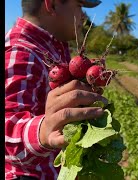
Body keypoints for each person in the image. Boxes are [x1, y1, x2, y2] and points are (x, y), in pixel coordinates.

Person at [5, 0, 105, 179]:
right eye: (79, 6)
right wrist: (43, 132)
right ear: (52, 5)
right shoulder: (20, 52)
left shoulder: (53, 47)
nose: (83, 16)